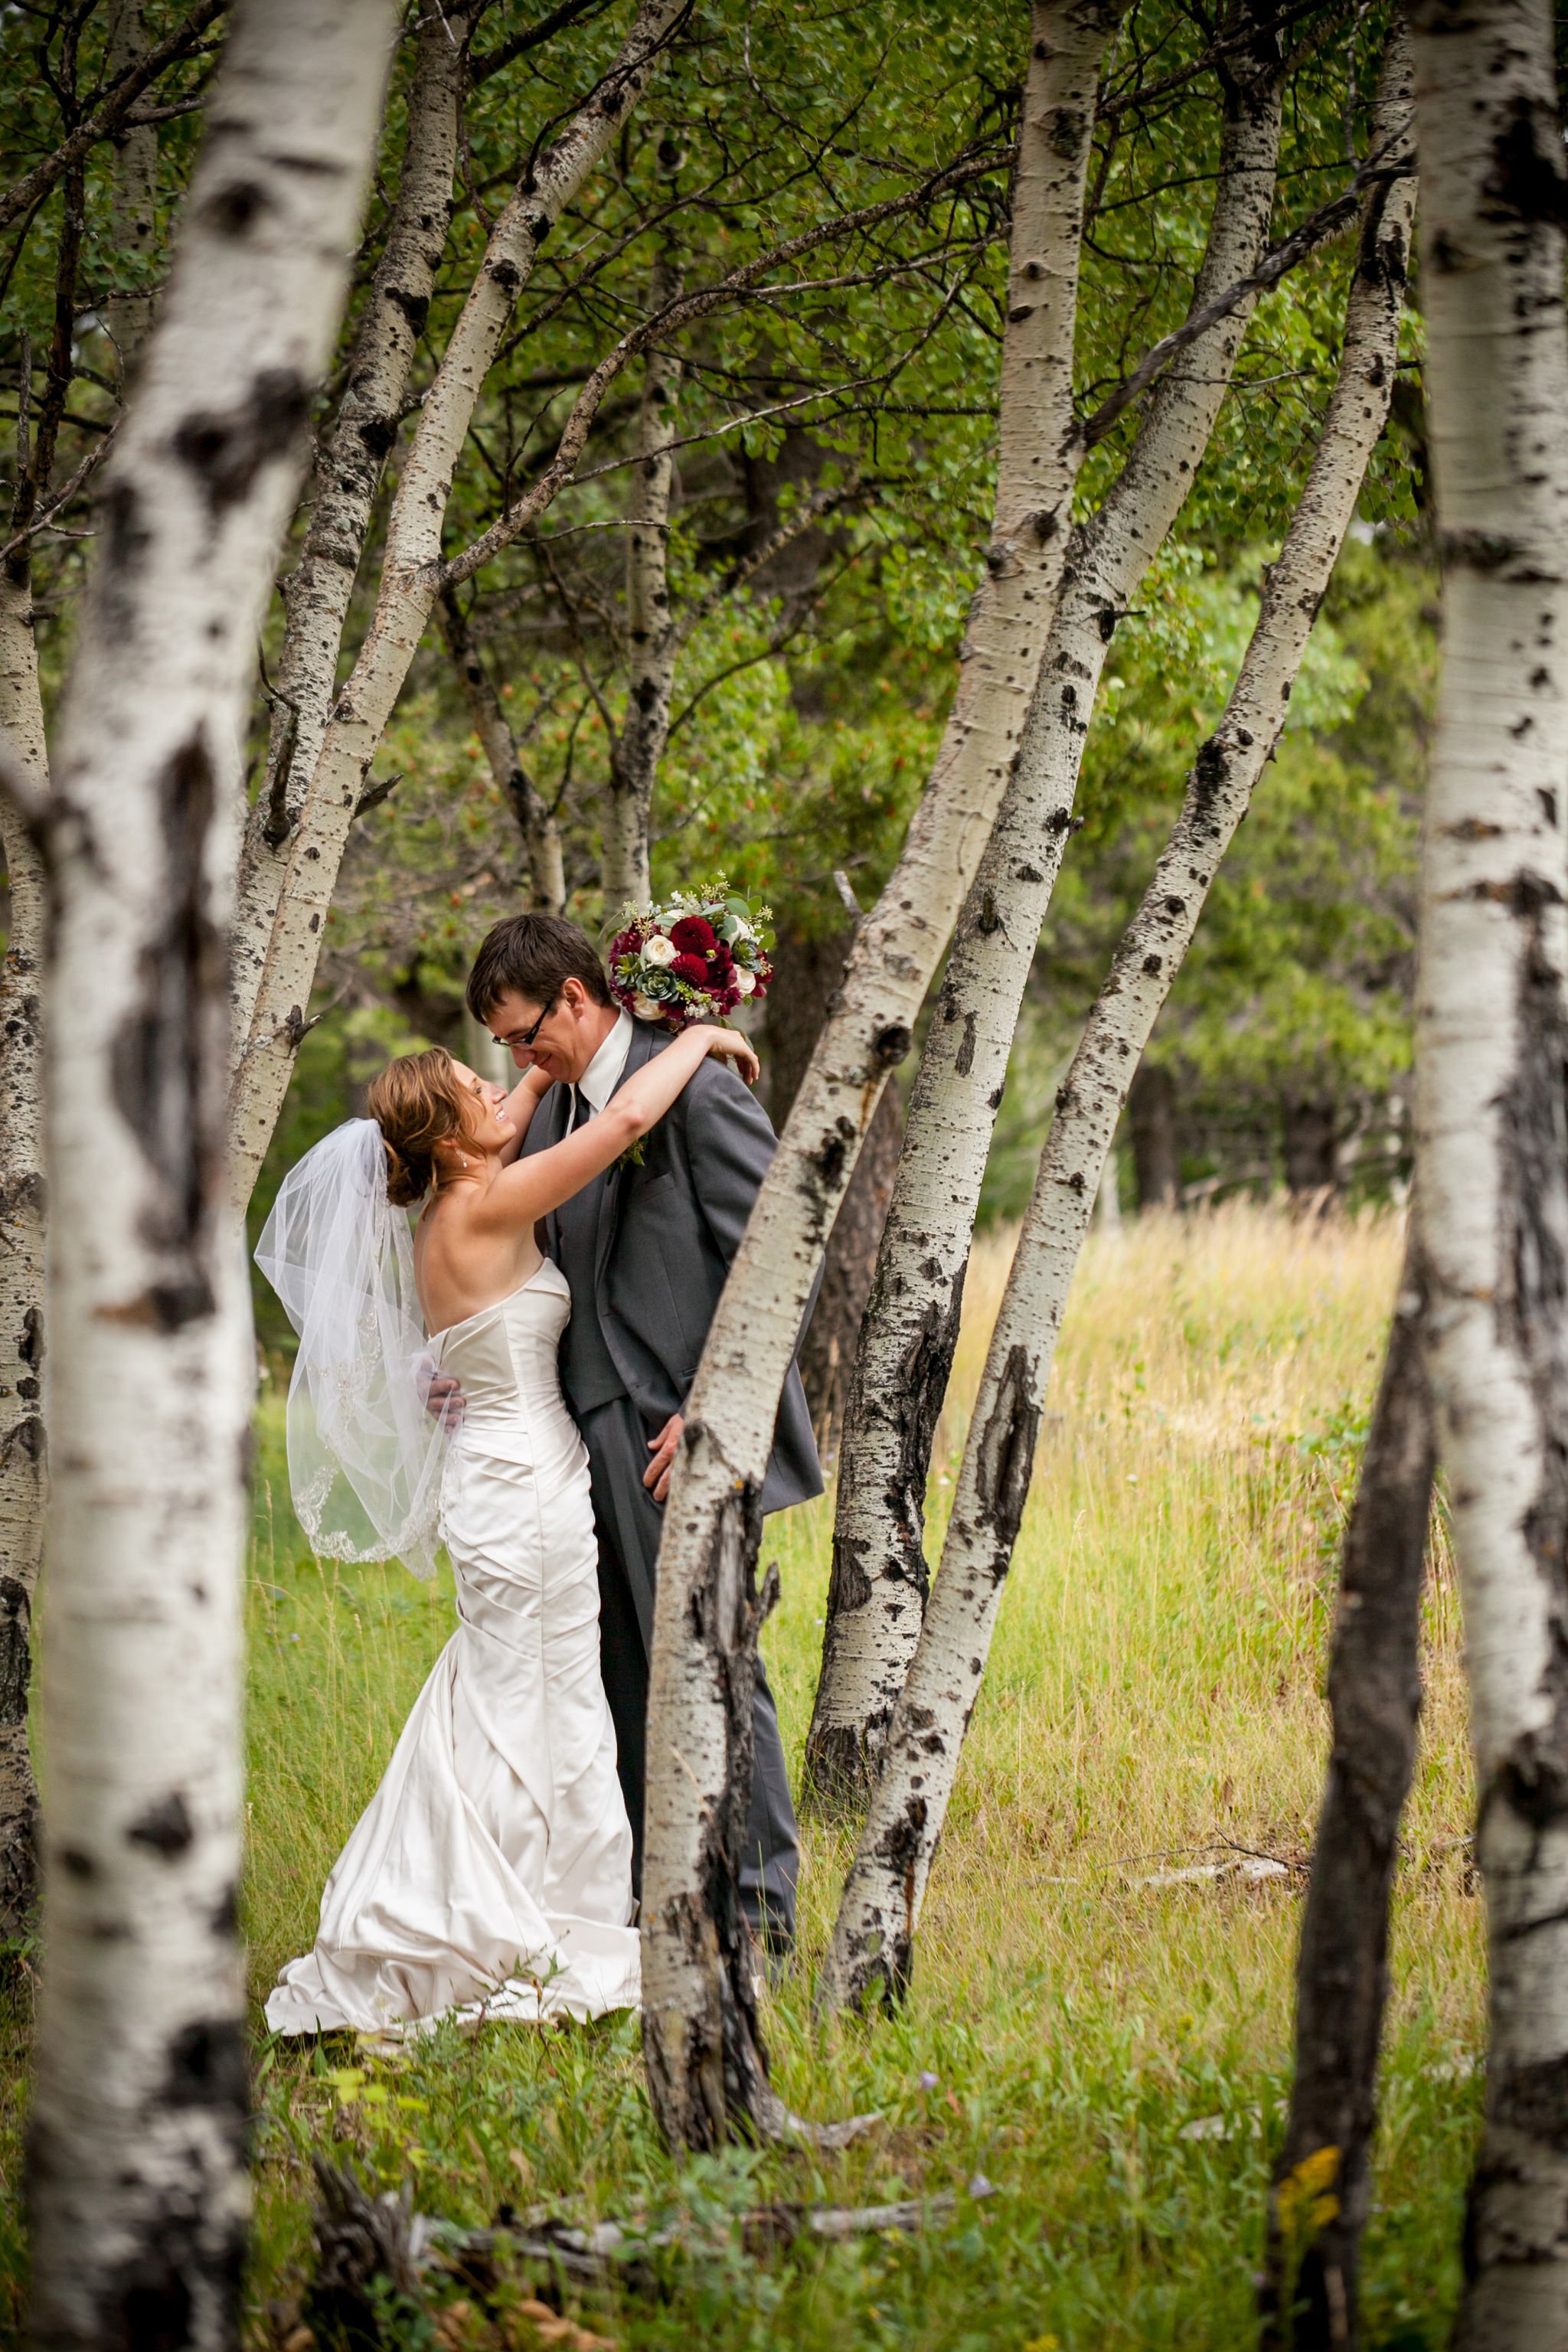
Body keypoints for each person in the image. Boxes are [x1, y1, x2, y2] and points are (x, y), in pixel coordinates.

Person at [254, 1017, 760, 2036]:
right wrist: (699, 1033)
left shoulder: (456, 1202)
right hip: (524, 1494)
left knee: (513, 1690)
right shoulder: (484, 1207)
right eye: (475, 1092)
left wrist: (555, 1043)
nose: (503, 1093)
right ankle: (525, 1919)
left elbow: (525, 1095)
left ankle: (513, 1896)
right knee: (547, 1696)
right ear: (449, 1141)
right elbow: (618, 1120)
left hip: (500, 1481)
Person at [454, 912, 822, 1955]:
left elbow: (779, 1252)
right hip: (576, 1443)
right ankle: (661, 1907)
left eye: (527, 1035)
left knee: (710, 1662)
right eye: (508, 1049)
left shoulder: (695, 1084)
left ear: (576, 997)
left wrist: (718, 1404)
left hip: (679, 1436)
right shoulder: (563, 1107)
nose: (520, 1060)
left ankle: (758, 1920)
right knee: (615, 1679)